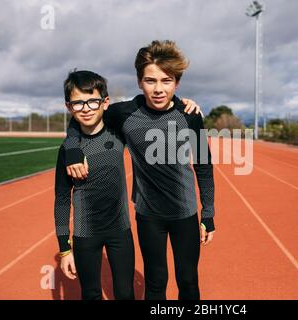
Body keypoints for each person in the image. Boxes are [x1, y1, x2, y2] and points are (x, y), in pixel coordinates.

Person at [63, 40, 215, 300]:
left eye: (166, 81)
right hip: (148, 216)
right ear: (139, 81)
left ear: (176, 83)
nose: (158, 89)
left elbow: (203, 165)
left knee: (188, 281)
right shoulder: (123, 113)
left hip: (185, 213)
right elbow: (83, 114)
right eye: (150, 80)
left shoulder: (190, 115)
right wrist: (73, 149)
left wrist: (208, 214)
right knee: (156, 282)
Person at [54, 70, 135, 300]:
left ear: (105, 102)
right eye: (78, 103)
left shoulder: (118, 132)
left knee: (125, 293)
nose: (86, 108)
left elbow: (145, 108)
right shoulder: (67, 151)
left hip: (120, 230)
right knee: (90, 294)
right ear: (69, 107)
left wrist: (180, 103)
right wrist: (64, 248)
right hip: (85, 233)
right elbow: (61, 199)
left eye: (92, 101)